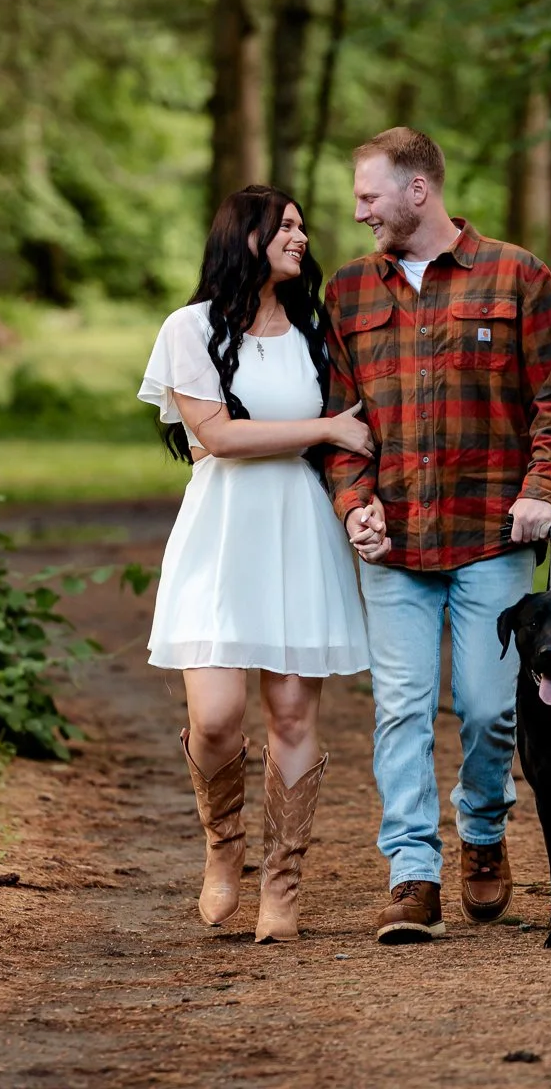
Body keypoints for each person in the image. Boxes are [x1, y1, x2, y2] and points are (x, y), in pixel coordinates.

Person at [322, 128, 551, 944]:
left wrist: (543, 489)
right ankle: (411, 873)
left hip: (489, 538)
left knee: (484, 707)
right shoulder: (347, 294)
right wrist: (351, 501)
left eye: (369, 195)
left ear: (417, 191)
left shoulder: (517, 275)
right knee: (400, 709)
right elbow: (339, 423)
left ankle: (481, 833)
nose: (358, 210)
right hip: (393, 546)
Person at [138, 185, 371, 943]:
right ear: (245, 237)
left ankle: (283, 876)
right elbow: (218, 436)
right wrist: (327, 427)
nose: (301, 236)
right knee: (215, 717)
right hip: (221, 532)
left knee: (293, 712)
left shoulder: (314, 330)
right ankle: (222, 845)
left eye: (304, 225)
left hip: (298, 529)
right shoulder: (190, 328)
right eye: (286, 226)